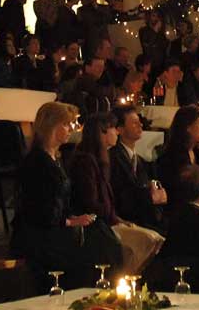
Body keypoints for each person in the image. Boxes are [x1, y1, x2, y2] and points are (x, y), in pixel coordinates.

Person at [11, 101, 121, 288]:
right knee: (96, 251)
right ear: (51, 126)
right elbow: (39, 210)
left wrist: (74, 218)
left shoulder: (55, 159)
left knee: (104, 239)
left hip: (53, 229)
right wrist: (70, 222)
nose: (71, 128)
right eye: (66, 124)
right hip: (39, 235)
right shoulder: (37, 162)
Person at [69, 112, 164, 272]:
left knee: (157, 239)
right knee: (148, 240)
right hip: (98, 225)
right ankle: (126, 278)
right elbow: (91, 202)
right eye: (113, 128)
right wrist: (115, 219)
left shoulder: (101, 159)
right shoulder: (86, 162)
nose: (116, 133)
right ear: (102, 132)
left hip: (109, 220)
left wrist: (118, 219)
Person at [110, 104, 167, 230]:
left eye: (139, 122)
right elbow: (121, 194)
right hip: (126, 221)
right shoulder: (113, 158)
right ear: (120, 129)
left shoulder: (139, 160)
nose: (140, 125)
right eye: (134, 123)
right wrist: (150, 196)